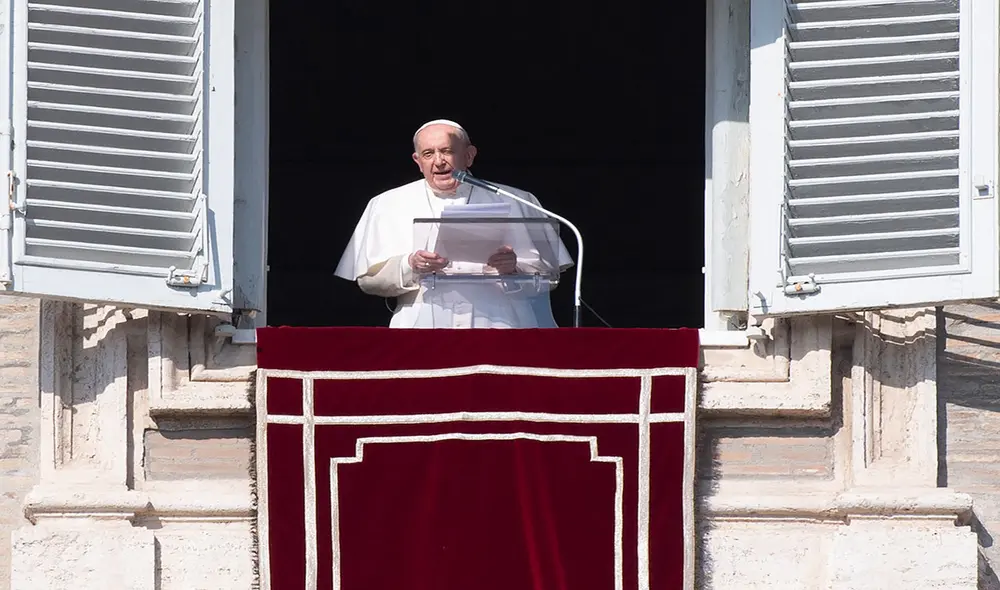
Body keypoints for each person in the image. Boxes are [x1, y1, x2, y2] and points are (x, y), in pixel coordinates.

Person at [334, 119, 574, 328]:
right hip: (423, 332)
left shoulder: (520, 200)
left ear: (469, 156)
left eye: (447, 151)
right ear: (417, 161)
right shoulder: (386, 203)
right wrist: (410, 265)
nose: (438, 162)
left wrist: (513, 269)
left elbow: (550, 279)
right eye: (428, 154)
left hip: (502, 327)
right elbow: (368, 281)